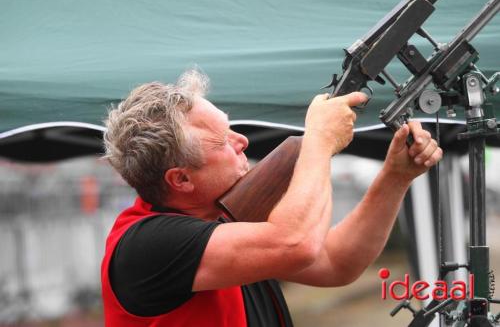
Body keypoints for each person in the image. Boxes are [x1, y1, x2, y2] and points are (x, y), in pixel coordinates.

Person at [101, 69, 442, 327]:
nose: (242, 142)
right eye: (222, 141)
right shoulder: (146, 244)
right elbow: (297, 243)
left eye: (230, 127)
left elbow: (337, 262)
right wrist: (319, 143)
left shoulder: (226, 219)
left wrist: (395, 177)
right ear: (181, 179)